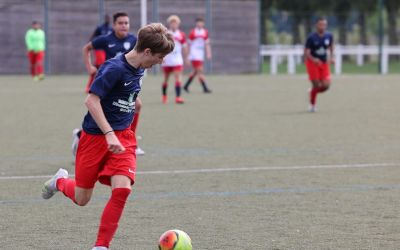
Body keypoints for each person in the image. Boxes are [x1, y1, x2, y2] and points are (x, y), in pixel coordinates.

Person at [41, 22, 174, 250]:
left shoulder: (141, 67)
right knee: (82, 198)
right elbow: (91, 100)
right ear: (148, 52)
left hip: (124, 139)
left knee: (122, 189)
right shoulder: (113, 68)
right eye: (160, 57)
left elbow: (127, 96)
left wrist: (126, 122)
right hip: (95, 138)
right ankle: (60, 181)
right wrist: (109, 133)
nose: (161, 62)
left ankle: (101, 246)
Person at [75, 12, 145, 156]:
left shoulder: (133, 40)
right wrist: (89, 66)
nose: (124, 26)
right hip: (108, 81)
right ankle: (82, 135)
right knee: (102, 108)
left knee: (136, 105)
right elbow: (86, 48)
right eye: (120, 23)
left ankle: (131, 140)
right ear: (114, 25)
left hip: (123, 83)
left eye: (126, 23)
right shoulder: (105, 39)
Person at [304, 17, 335, 112]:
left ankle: (312, 91)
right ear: (316, 25)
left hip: (324, 63)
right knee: (317, 85)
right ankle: (312, 106)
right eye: (321, 24)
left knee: (326, 86)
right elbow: (307, 52)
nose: (323, 26)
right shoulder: (311, 37)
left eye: (324, 24)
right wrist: (314, 59)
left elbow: (331, 46)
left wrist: (332, 57)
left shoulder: (329, 35)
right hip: (312, 63)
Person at [161, 15, 188, 104]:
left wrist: (186, 57)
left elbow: (184, 47)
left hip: (177, 60)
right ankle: (164, 96)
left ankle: (178, 97)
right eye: (172, 23)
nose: (174, 25)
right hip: (167, 60)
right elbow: (162, 47)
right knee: (166, 79)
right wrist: (162, 57)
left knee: (178, 79)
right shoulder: (166, 34)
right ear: (169, 24)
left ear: (178, 24)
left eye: (175, 23)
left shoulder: (181, 35)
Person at [183, 17, 212, 93]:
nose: (199, 24)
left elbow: (207, 44)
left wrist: (208, 53)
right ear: (196, 23)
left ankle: (186, 86)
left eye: (201, 22)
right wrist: (188, 56)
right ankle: (205, 88)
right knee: (200, 71)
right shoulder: (193, 32)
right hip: (194, 54)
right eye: (198, 22)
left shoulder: (205, 32)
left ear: (203, 23)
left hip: (200, 55)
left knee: (195, 71)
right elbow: (188, 45)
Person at [86, 14, 113, 91]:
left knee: (103, 68)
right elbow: (93, 36)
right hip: (99, 50)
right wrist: (89, 45)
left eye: (109, 18)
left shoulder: (111, 29)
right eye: (107, 18)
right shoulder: (100, 28)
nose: (108, 19)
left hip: (107, 51)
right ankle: (90, 87)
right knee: (99, 67)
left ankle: (98, 86)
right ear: (105, 19)